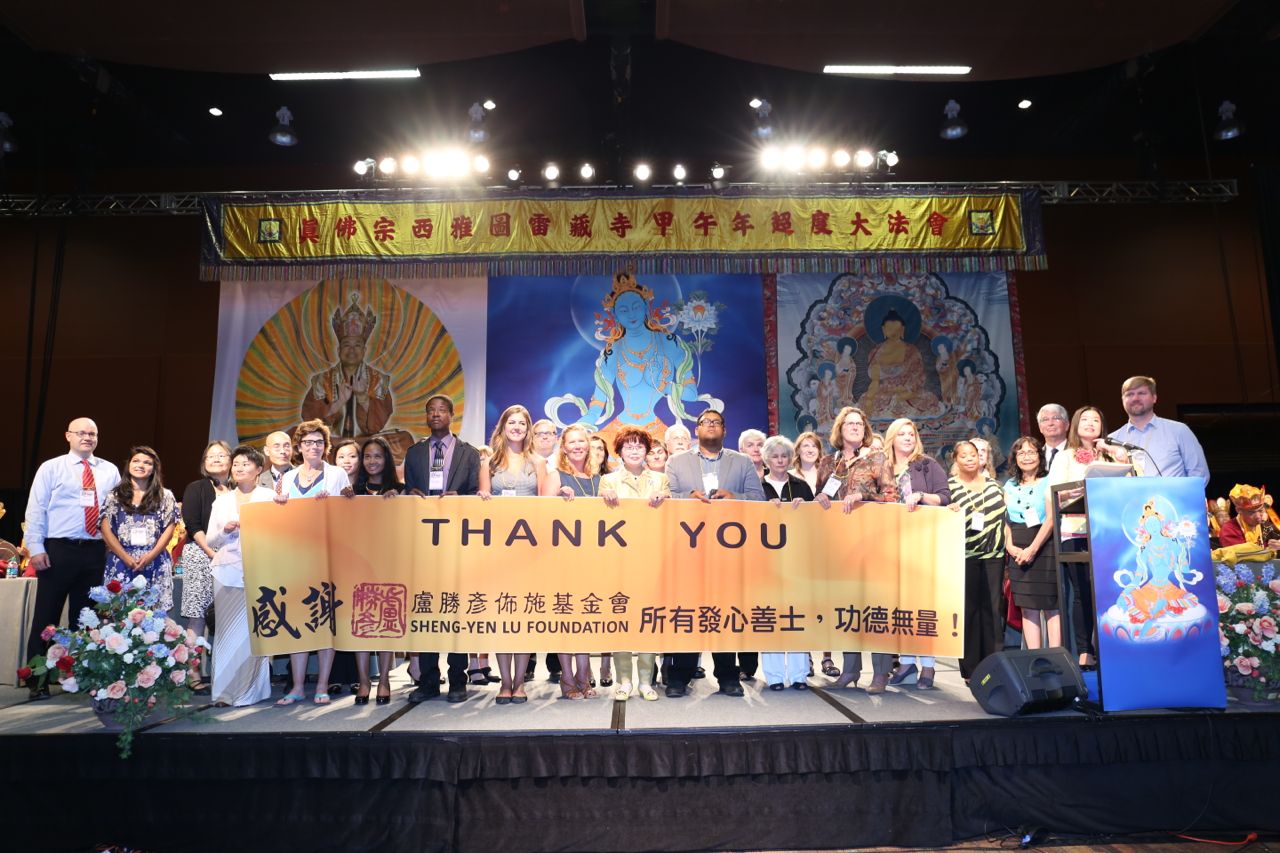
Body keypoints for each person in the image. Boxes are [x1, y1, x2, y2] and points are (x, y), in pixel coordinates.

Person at [663, 408, 766, 698]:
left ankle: (727, 675)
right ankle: (679, 676)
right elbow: (667, 497)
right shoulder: (676, 462)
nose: (710, 425)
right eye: (704, 422)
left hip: (729, 551)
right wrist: (688, 497)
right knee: (687, 613)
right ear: (696, 430)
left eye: (716, 422)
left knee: (725, 613)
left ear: (724, 430)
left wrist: (734, 497)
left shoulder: (742, 462)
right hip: (688, 550)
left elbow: (759, 499)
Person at [23, 418, 122, 698]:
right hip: (58, 549)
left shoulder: (110, 470)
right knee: (46, 617)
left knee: (87, 619)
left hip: (95, 551)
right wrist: (35, 547)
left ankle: (80, 677)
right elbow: (36, 508)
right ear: (68, 436)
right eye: (82, 433)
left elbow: (117, 511)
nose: (87, 437)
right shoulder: (51, 467)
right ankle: (37, 681)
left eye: (93, 433)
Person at [402, 394, 478, 703]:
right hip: (423, 541)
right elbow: (407, 490)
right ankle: (428, 681)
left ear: (451, 415)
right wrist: (410, 494)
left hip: (457, 539)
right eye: (430, 410)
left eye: (441, 410)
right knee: (426, 608)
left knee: (455, 608)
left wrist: (461, 499)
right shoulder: (415, 453)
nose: (435, 414)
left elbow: (477, 493)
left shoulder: (468, 453)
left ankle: (458, 679)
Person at [814, 407, 896, 692]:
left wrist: (863, 494)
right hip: (839, 543)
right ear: (839, 429)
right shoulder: (828, 462)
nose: (855, 427)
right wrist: (820, 497)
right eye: (849, 423)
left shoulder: (877, 458)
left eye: (859, 424)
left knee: (875, 606)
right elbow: (820, 494)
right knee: (847, 607)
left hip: (871, 542)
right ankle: (850, 670)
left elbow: (891, 494)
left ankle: (881, 673)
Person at [274, 419, 352, 705]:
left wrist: (335, 503)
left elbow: (349, 513)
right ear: (299, 446)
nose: (314, 446)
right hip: (295, 557)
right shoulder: (287, 478)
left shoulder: (337, 474)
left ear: (326, 446)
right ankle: (296, 686)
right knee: (297, 620)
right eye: (308, 442)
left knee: (324, 619)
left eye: (319, 442)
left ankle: (322, 684)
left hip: (328, 555)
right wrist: (279, 505)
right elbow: (277, 521)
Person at [478, 404, 549, 704]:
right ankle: (504, 681)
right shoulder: (489, 462)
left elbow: (546, 505)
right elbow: (482, 501)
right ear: (503, 427)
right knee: (502, 615)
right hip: (498, 549)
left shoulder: (538, 462)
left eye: (522, 423)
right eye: (512, 423)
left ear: (528, 429)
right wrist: (483, 498)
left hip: (529, 550)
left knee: (524, 617)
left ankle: (519, 682)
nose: (517, 428)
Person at [1048, 405, 1126, 669]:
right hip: (1075, 529)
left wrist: (1115, 452)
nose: (1090, 423)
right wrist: (1080, 488)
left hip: (1108, 531)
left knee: (1110, 589)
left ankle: (1112, 645)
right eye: (1085, 419)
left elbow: (1129, 482)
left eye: (1096, 420)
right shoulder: (1065, 457)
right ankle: (1085, 650)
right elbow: (1055, 491)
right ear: (1075, 425)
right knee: (1082, 591)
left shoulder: (1110, 455)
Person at [600, 428, 670, 701]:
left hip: (652, 559)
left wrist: (665, 500)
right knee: (621, 617)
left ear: (646, 451)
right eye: (628, 446)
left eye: (639, 446)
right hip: (619, 560)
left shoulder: (661, 480)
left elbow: (671, 515)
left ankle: (645, 681)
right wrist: (604, 499)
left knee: (648, 619)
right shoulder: (608, 481)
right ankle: (624, 680)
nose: (634, 450)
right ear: (619, 451)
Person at [883, 417, 951, 689]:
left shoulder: (927, 464)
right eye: (902, 434)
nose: (908, 438)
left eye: (911, 434)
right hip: (890, 542)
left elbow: (945, 497)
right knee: (900, 605)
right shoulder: (883, 466)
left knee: (923, 605)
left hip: (922, 541)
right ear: (892, 438)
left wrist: (922, 496)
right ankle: (907, 662)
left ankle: (928, 666)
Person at [206, 445, 274, 707]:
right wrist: (225, 530)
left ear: (258, 469)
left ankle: (252, 691)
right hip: (228, 571)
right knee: (227, 634)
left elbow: (280, 533)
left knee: (255, 632)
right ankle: (224, 692)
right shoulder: (222, 500)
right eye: (236, 464)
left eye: (246, 464)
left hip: (260, 569)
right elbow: (211, 540)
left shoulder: (269, 497)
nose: (239, 468)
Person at [539, 424, 603, 698]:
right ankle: (566, 677)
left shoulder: (600, 479)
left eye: (581, 441)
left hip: (592, 559)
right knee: (565, 618)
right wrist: (558, 499)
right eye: (572, 442)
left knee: (586, 617)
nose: (577, 446)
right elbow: (541, 516)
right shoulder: (555, 476)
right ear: (563, 448)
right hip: (561, 558)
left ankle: (583, 676)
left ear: (588, 445)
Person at [347, 436, 404, 705]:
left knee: (385, 625)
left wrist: (398, 502)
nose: (372, 461)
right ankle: (363, 680)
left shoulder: (400, 490)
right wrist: (346, 502)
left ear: (386, 460)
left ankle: (383, 680)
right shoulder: (352, 491)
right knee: (361, 625)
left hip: (388, 567)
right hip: (357, 568)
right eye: (367, 456)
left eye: (378, 456)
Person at [758, 435, 814, 691]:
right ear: (766, 459)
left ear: (791, 459)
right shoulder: (757, 487)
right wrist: (764, 508)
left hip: (797, 560)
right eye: (775, 456)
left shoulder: (801, 486)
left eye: (784, 456)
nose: (780, 460)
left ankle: (800, 674)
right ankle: (775, 676)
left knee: (797, 615)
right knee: (770, 616)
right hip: (766, 561)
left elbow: (815, 523)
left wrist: (807, 507)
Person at [948, 441, 1007, 680]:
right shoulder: (950, 487)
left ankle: (996, 664)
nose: (970, 459)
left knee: (993, 610)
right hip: (965, 556)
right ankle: (971, 669)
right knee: (969, 611)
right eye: (964, 455)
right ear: (955, 459)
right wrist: (949, 510)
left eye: (973, 454)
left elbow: (1006, 518)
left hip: (994, 555)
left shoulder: (995, 485)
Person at [300, 292, 393, 438]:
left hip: (366, 442)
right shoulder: (322, 380)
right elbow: (310, 421)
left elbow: (378, 424)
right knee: (294, 434)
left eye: (357, 345)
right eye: (347, 345)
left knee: (404, 438)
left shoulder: (378, 380)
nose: (352, 350)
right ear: (338, 350)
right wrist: (337, 403)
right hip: (331, 442)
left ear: (364, 351)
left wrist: (363, 397)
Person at [101, 446, 179, 611]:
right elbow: (106, 530)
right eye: (136, 461)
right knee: (119, 615)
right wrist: (126, 557)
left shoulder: (165, 496)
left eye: (147, 463)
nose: (140, 465)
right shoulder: (114, 496)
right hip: (121, 561)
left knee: (153, 616)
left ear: (154, 469)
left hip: (155, 561)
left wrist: (151, 556)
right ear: (128, 465)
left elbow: (169, 528)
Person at [178, 441, 233, 673]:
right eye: (211, 456)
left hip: (233, 558)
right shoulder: (196, 488)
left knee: (231, 615)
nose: (216, 459)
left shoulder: (240, 490)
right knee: (198, 616)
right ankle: (193, 673)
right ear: (204, 462)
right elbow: (192, 524)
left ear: (231, 460)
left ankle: (226, 673)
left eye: (221, 455)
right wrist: (211, 552)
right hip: (201, 554)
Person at [1003, 436, 1060, 649]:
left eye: (1031, 452)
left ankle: (1056, 656)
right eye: (1021, 453)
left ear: (1039, 456)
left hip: (1044, 546)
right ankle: (1035, 656)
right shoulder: (1009, 485)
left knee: (1051, 605)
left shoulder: (1049, 480)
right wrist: (1010, 547)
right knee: (1027, 607)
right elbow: (1005, 521)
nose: (1026, 457)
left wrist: (1032, 549)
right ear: (1015, 458)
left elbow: (1051, 519)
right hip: (1017, 549)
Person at [1108, 375, 1210, 485]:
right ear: (1122, 400)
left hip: (1172, 496)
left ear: (1154, 398)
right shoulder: (1112, 440)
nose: (1135, 398)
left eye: (1141, 393)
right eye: (1129, 394)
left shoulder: (1179, 431)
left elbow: (1200, 475)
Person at [857, 309, 943, 417]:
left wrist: (907, 389)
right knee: (866, 402)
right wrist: (871, 397)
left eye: (897, 329)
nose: (893, 332)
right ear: (883, 330)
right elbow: (874, 380)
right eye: (890, 329)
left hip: (908, 391)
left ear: (902, 329)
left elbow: (918, 376)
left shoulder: (911, 350)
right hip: (885, 392)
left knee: (928, 400)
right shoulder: (876, 352)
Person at [1036, 404, 1069, 471]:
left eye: (1056, 418)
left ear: (1067, 425)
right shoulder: (1036, 456)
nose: (1050, 423)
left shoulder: (1077, 452)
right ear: (1040, 428)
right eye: (1045, 419)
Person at [790, 431, 824, 497]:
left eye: (814, 446)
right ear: (798, 450)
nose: (810, 450)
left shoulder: (826, 476)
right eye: (806, 446)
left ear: (819, 451)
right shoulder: (789, 476)